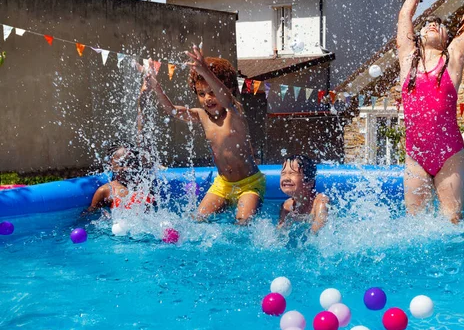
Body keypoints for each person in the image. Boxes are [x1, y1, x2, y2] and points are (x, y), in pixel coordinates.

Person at [396, 0, 464, 223]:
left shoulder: (452, 61)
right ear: (417, 38)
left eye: (439, 24)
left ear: (448, 38)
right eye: (427, 22)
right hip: (415, 156)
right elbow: (404, 16)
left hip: (449, 155)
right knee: (414, 227)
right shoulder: (408, 62)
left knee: (452, 225)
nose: (431, 23)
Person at [145, 46, 265, 224]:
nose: (207, 98)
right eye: (201, 94)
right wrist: (156, 87)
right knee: (196, 219)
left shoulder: (234, 111)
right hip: (223, 184)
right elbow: (171, 110)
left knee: (243, 221)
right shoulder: (201, 115)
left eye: (212, 92)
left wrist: (205, 71)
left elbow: (225, 99)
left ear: (229, 89)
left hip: (249, 184)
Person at [86, 145, 154, 212]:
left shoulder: (145, 186)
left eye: (131, 161)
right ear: (110, 164)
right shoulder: (105, 191)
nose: (127, 168)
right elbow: (89, 216)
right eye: (122, 163)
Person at [278, 155, 329, 234]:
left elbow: (316, 235)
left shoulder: (321, 202)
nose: (286, 178)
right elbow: (279, 235)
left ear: (309, 182)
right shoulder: (286, 206)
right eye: (283, 173)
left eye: (292, 173)